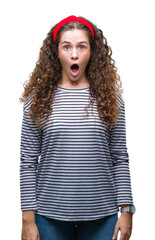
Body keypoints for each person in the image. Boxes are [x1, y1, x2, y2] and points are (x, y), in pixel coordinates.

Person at [20, 15, 135, 240]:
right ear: (56, 52)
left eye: (81, 47)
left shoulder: (110, 99)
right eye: (67, 47)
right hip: (48, 216)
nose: (74, 54)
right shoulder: (38, 100)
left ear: (92, 52)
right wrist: (27, 218)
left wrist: (127, 210)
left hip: (102, 216)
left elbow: (120, 157)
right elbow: (28, 161)